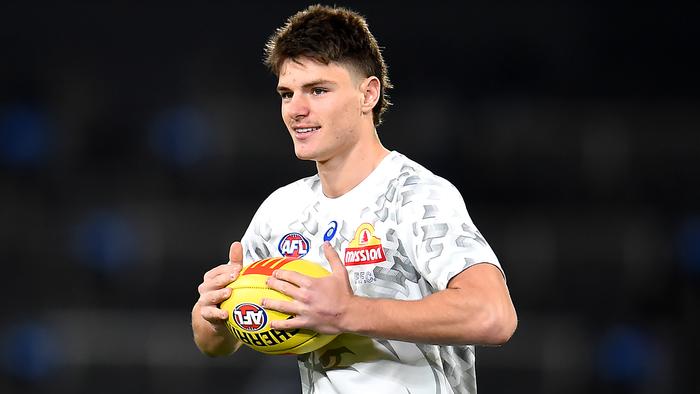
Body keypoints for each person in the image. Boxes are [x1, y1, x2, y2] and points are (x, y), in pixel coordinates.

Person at [191, 4, 517, 393]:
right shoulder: (281, 211)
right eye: (287, 93)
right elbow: (215, 344)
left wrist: (347, 312)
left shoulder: (414, 195)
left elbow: (494, 316)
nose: (296, 109)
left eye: (318, 90)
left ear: (368, 94)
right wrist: (212, 315)